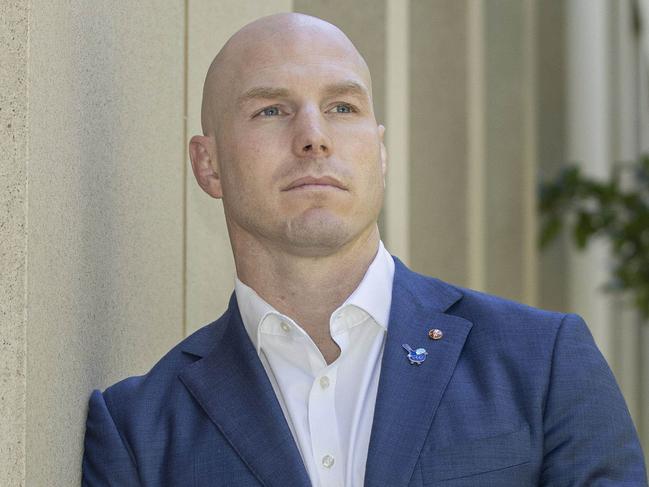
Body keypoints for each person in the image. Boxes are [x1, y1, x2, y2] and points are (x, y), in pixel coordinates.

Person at [82, 12, 647, 487]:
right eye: (271, 110)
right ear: (209, 165)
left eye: (342, 108)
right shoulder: (138, 431)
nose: (313, 136)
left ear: (378, 153)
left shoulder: (540, 363)